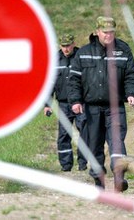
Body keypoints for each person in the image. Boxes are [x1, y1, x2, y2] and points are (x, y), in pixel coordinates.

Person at [68, 16, 134, 192]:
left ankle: (118, 178)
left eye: (112, 32)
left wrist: (131, 94)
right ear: (97, 32)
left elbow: (131, 74)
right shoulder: (83, 52)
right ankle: (99, 181)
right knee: (95, 144)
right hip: (91, 108)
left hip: (115, 107)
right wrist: (76, 101)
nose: (109, 35)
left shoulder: (123, 50)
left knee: (117, 142)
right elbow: (74, 80)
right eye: (105, 32)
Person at [44, 34, 88, 172]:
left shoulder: (81, 57)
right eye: (63, 46)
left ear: (73, 44)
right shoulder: (55, 60)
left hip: (81, 103)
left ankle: (83, 163)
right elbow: (49, 84)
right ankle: (66, 165)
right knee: (63, 135)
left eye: (68, 46)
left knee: (84, 132)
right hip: (63, 103)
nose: (66, 49)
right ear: (60, 46)